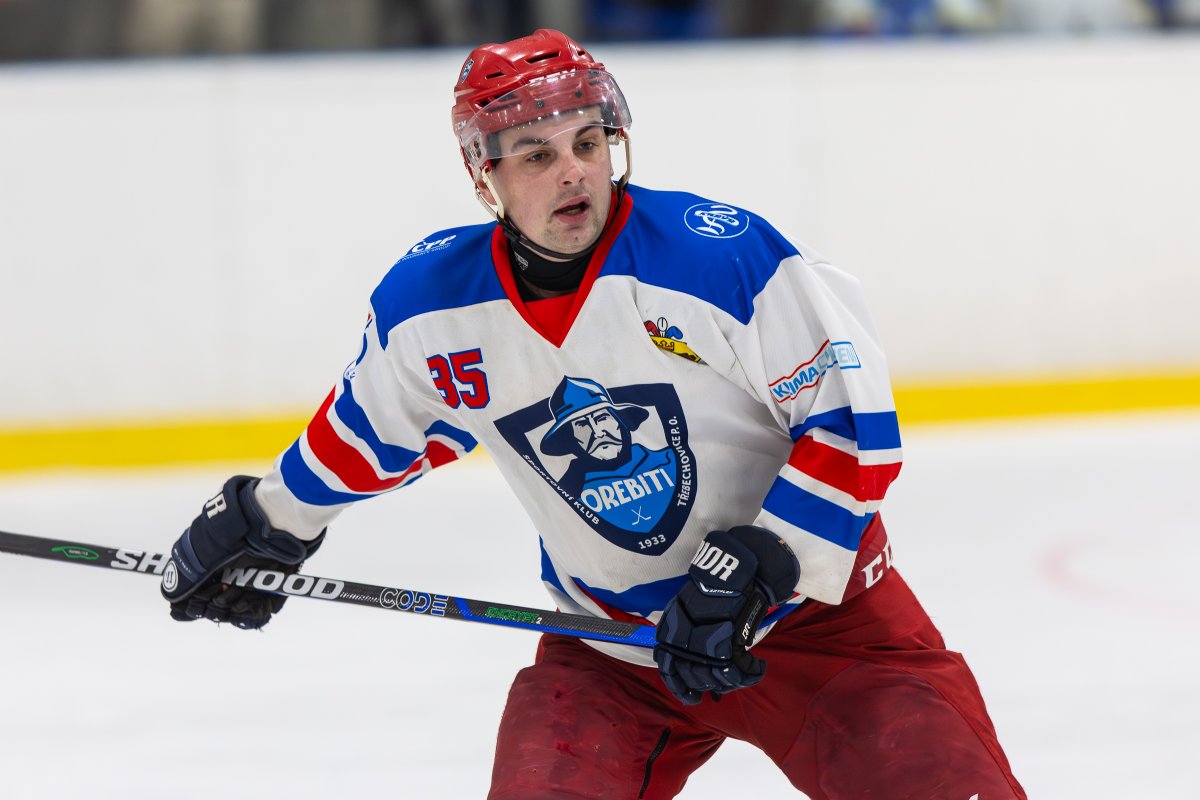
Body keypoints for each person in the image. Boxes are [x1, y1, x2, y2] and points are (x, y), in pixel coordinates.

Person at [160, 29, 1026, 799]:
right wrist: (267, 522)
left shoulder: (719, 258)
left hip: (823, 631)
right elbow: (374, 430)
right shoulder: (434, 306)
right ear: (485, 175)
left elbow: (849, 422)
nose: (573, 170)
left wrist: (762, 564)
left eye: (586, 142)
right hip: (612, 650)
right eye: (536, 155)